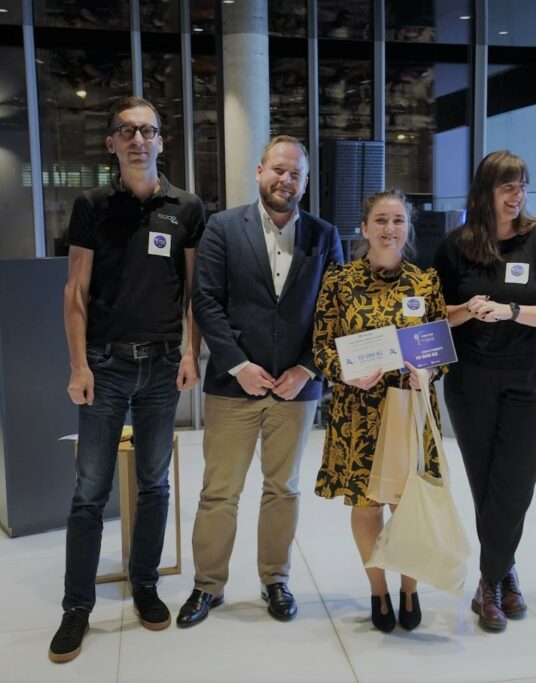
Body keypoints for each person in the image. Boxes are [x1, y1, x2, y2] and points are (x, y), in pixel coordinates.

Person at [50, 96, 205, 663]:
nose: (138, 139)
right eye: (126, 131)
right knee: (89, 491)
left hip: (164, 366)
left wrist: (193, 353)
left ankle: (145, 583)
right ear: (112, 143)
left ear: (162, 140)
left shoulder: (186, 206)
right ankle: (76, 606)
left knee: (155, 483)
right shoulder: (92, 204)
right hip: (106, 366)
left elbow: (193, 292)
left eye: (148, 130)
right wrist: (77, 365)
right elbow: (75, 291)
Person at [179, 135, 343, 627]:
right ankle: (208, 585)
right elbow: (205, 299)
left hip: (296, 389)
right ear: (259, 171)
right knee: (219, 492)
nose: (285, 179)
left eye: (295, 173)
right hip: (234, 387)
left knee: (283, 489)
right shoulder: (223, 228)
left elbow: (333, 311)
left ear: (306, 182)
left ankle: (276, 579)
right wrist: (238, 365)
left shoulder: (323, 234)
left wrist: (308, 368)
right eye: (277, 169)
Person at [433, 151, 536, 632]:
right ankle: (504, 576)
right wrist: (469, 310)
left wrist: (512, 312)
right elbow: (436, 314)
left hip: (533, 377)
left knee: (514, 484)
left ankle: (490, 580)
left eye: (523, 186)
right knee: (486, 482)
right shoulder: (455, 245)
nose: (518, 196)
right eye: (508, 187)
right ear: (485, 192)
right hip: (471, 379)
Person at [312, 190, 448, 633]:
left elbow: (439, 348)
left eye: (399, 221)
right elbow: (321, 347)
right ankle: (378, 589)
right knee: (368, 506)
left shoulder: (425, 282)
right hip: (358, 413)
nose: (390, 229)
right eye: (381, 220)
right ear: (365, 227)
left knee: (407, 505)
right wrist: (345, 374)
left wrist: (428, 373)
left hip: (410, 408)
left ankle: (410, 587)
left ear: (407, 229)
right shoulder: (339, 282)